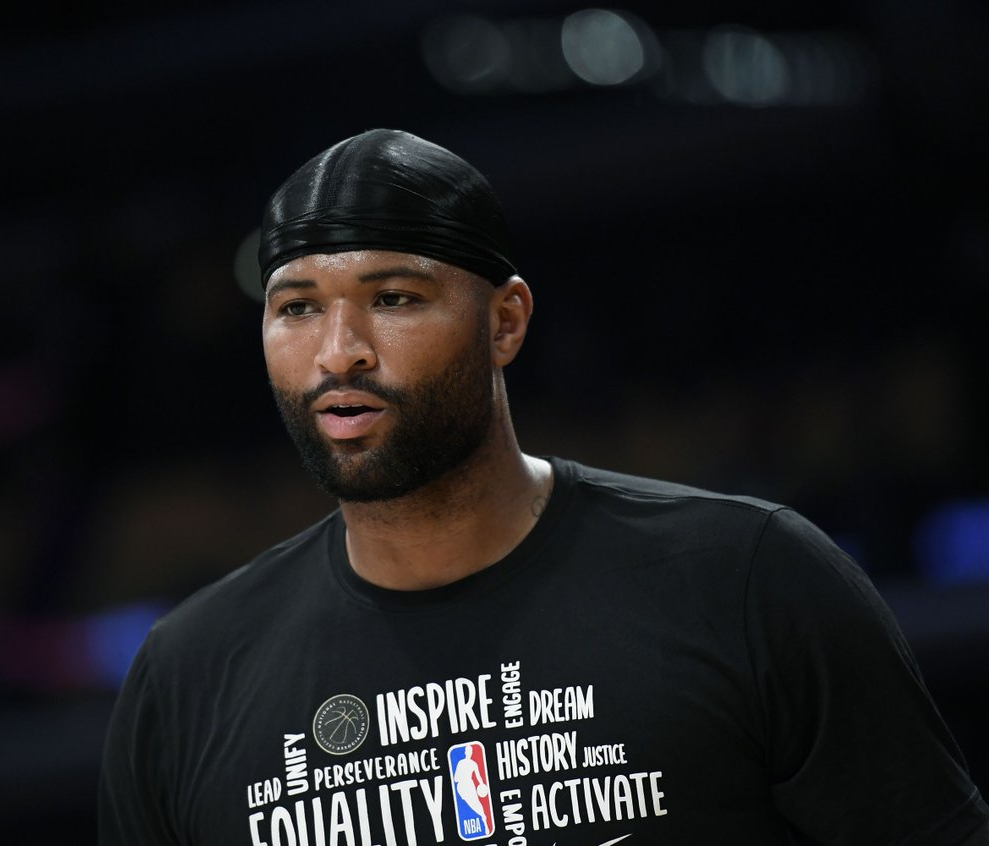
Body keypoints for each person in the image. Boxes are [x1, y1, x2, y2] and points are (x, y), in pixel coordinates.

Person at [99, 128, 989, 845]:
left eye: (395, 298)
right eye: (296, 307)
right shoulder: (186, 680)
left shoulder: (749, 579)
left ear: (506, 322)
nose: (339, 352)